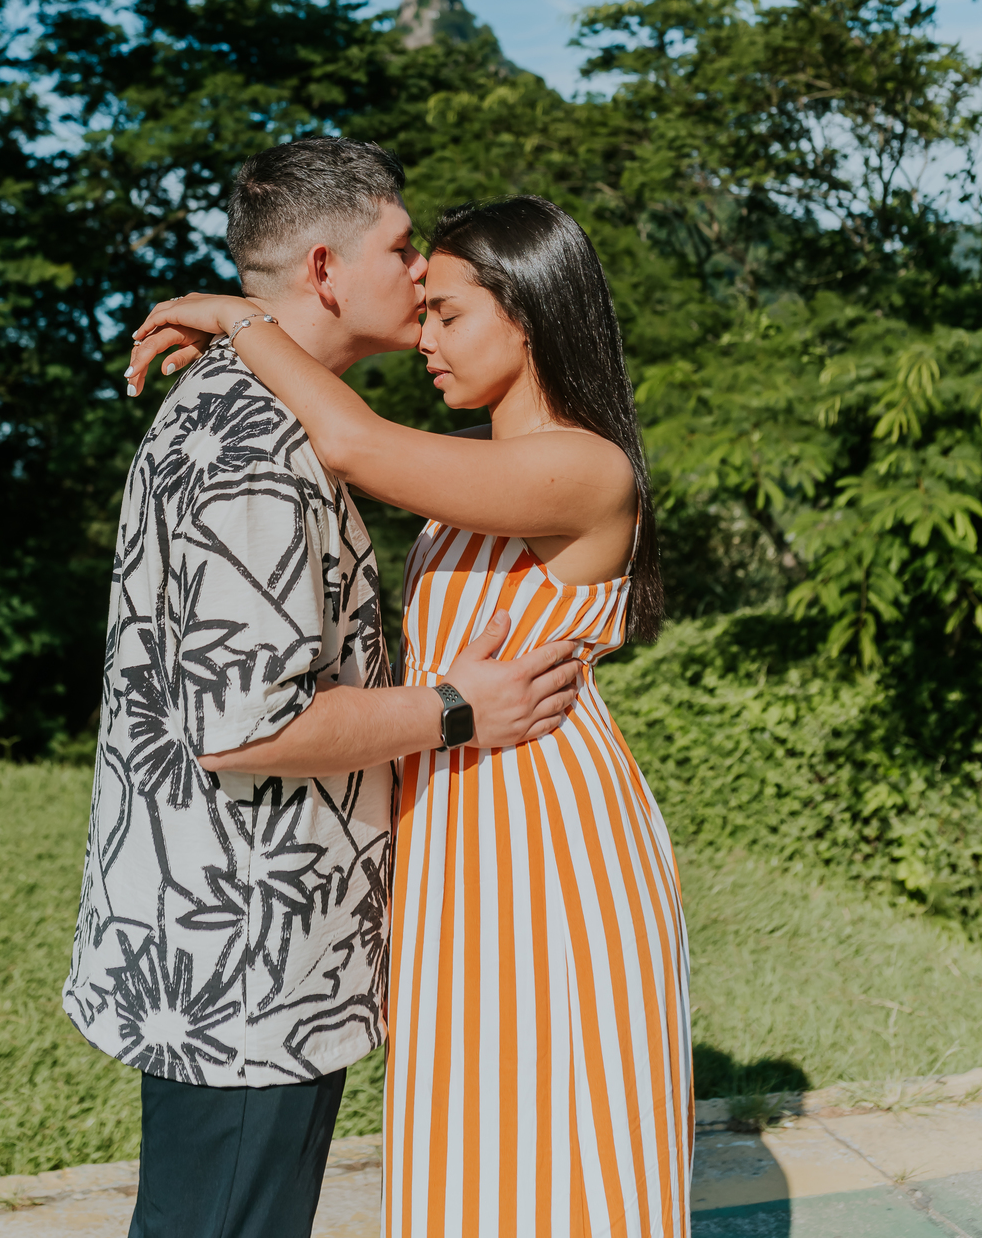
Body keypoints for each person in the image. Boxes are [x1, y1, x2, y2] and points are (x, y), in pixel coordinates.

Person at [127, 193, 692, 1238]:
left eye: (449, 314)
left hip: (542, 831)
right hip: (454, 814)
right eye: (423, 311)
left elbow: (346, 441)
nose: (425, 340)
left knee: (553, 1139)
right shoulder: (471, 476)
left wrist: (234, 313)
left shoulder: (583, 465)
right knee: (467, 1136)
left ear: (527, 312)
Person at [63, 142, 582, 1238]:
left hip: (225, 927)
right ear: (326, 267)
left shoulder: (236, 402)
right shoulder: (261, 444)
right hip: (253, 945)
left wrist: (230, 315)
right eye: (400, 247)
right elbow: (249, 724)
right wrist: (457, 709)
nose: (420, 271)